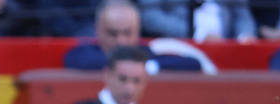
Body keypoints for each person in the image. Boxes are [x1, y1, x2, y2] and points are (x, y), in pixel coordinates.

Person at [65, 0, 205, 70]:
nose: (120, 41)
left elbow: (193, 64)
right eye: (112, 33)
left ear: (138, 32)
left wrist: (147, 66)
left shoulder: (144, 52)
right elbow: (74, 59)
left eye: (127, 33)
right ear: (98, 30)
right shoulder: (85, 53)